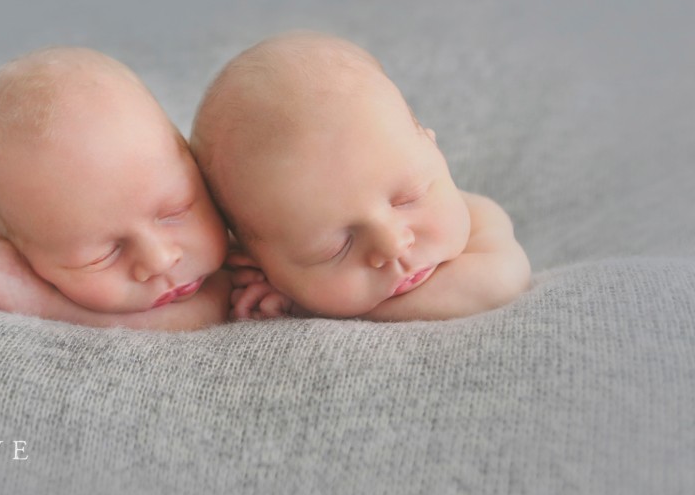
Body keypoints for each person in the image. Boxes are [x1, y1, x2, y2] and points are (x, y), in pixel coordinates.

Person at [190, 31, 531, 321]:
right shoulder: (247, 268)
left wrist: (309, 306)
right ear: (259, 264)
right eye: (336, 247)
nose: (393, 245)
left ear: (434, 150)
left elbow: (499, 282)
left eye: (408, 198)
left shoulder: (480, 220)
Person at [0, 46, 230, 330]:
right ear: (25, 254)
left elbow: (208, 308)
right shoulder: (43, 229)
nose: (160, 259)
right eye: (102, 256)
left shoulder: (244, 197)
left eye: (175, 212)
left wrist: (42, 303)